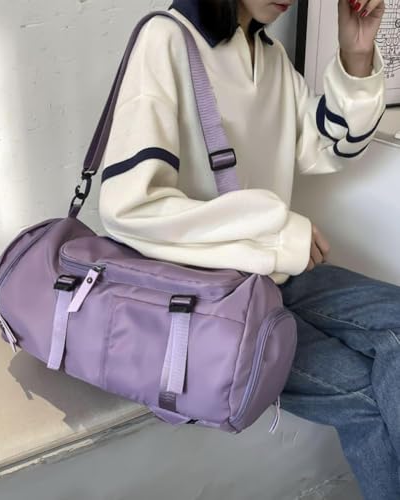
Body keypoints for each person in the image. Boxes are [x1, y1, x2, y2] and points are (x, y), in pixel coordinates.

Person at [98, 1, 398, 498]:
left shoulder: (270, 57)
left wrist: (357, 54)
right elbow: (130, 205)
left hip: (275, 279)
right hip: (208, 302)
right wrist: (275, 233)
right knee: (365, 394)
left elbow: (327, 145)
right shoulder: (166, 38)